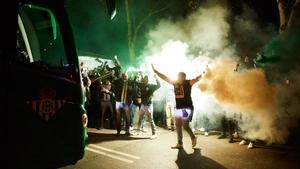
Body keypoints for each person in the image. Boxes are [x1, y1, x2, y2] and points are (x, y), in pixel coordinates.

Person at [152, 64, 202, 148]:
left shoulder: (188, 82)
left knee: (185, 125)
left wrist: (205, 73)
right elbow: (165, 78)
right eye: (179, 77)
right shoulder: (174, 83)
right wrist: (156, 72)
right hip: (178, 107)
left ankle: (193, 137)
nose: (180, 78)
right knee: (178, 125)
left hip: (186, 107)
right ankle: (180, 143)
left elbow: (197, 79)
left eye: (181, 77)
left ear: (184, 78)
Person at [137, 75, 161, 139]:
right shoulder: (141, 85)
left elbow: (159, 85)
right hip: (142, 105)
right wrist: (137, 76)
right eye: (144, 79)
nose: (145, 80)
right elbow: (135, 83)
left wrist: (156, 78)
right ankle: (138, 130)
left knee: (151, 120)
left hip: (148, 105)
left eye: (146, 79)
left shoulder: (151, 86)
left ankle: (154, 133)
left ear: (148, 80)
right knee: (140, 118)